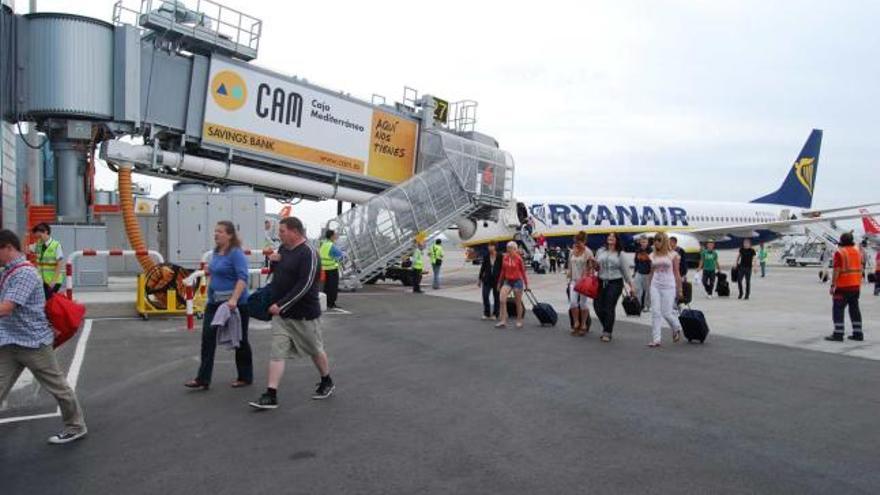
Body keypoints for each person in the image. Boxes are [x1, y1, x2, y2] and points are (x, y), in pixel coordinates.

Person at [0, 229, 87, 444]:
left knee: (58, 386)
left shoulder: (25, 274)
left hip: (33, 343)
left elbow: (6, 307)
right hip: (9, 341)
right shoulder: (8, 272)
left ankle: (76, 426)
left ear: (8, 248)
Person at [249, 217, 334, 410]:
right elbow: (278, 276)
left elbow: (305, 285)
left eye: (282, 231)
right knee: (276, 352)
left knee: (315, 350)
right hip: (282, 316)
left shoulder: (309, 253)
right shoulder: (284, 250)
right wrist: (274, 262)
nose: (279, 235)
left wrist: (282, 304)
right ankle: (271, 394)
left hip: (303, 314)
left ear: (295, 232)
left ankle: (326, 380)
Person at [186, 221, 253, 390]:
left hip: (235, 304)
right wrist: (204, 272)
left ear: (230, 235)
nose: (216, 234)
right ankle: (202, 378)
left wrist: (234, 300)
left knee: (240, 339)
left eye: (220, 232)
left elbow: (242, 278)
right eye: (215, 231)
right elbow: (215, 270)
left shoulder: (236, 253)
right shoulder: (216, 252)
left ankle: (245, 376)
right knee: (207, 338)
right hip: (215, 302)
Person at [594, 232, 635, 342]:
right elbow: (596, 268)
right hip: (601, 280)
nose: (610, 238)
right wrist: (594, 265)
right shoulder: (600, 251)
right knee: (597, 306)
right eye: (609, 236)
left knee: (609, 306)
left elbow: (626, 272)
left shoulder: (620, 254)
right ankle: (607, 326)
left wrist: (632, 286)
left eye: (613, 237)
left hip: (615, 282)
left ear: (616, 240)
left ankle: (607, 332)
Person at [825, 232, 864, 342]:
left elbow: (836, 270)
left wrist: (833, 284)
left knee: (838, 309)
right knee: (854, 309)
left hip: (843, 286)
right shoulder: (857, 252)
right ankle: (858, 333)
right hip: (856, 285)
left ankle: (838, 333)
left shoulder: (840, 253)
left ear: (841, 241)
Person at [647, 232, 684, 347]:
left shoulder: (673, 255)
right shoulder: (652, 255)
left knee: (666, 312)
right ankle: (656, 339)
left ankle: (676, 327)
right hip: (655, 285)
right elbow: (651, 272)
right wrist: (649, 286)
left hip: (669, 285)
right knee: (655, 312)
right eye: (655, 240)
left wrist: (680, 289)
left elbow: (677, 272)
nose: (656, 243)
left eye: (659, 240)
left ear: (664, 242)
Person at [567, 231, 596, 336]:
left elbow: (591, 267)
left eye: (579, 242)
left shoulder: (588, 252)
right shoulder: (572, 251)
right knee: (573, 302)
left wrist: (588, 276)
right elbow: (569, 264)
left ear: (584, 241)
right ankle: (576, 322)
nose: (577, 244)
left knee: (583, 303)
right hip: (574, 280)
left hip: (583, 281)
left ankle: (583, 324)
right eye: (576, 242)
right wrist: (569, 274)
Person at [496, 241, 528, 329]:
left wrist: (526, 284)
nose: (508, 250)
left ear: (515, 249)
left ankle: (519, 320)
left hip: (517, 281)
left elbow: (523, 272)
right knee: (502, 299)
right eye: (507, 248)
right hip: (508, 281)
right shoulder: (505, 258)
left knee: (518, 302)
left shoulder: (519, 259)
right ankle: (503, 320)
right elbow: (503, 271)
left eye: (510, 248)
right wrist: (499, 282)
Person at [31, 223, 65, 295]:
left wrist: (54, 281)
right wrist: (25, 235)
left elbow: (60, 264)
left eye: (40, 236)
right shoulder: (38, 244)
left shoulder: (56, 245)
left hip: (53, 281)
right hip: (42, 281)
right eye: (37, 237)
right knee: (45, 302)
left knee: (46, 301)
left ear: (46, 232)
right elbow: (25, 250)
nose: (39, 239)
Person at [477, 243, 503, 320]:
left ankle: (495, 314)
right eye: (489, 246)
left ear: (495, 247)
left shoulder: (500, 256)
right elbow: (483, 268)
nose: (489, 247)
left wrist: (502, 280)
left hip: (497, 280)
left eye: (491, 246)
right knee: (485, 296)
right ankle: (486, 313)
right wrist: (479, 279)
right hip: (487, 280)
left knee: (496, 297)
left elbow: (503, 269)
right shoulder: (486, 256)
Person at [320, 230, 343, 309]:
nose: (336, 236)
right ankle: (331, 303)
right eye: (335, 234)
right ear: (332, 236)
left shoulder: (323, 244)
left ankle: (326, 302)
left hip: (324, 268)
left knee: (326, 286)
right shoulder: (331, 245)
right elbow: (340, 255)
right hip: (331, 268)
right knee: (333, 287)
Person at [632, 235, 652, 312]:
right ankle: (638, 305)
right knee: (638, 290)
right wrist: (635, 272)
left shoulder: (650, 251)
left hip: (648, 273)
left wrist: (651, 274)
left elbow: (652, 263)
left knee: (648, 291)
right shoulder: (638, 250)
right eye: (642, 242)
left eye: (645, 242)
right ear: (640, 242)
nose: (643, 243)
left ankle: (647, 306)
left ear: (647, 242)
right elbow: (636, 262)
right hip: (639, 272)